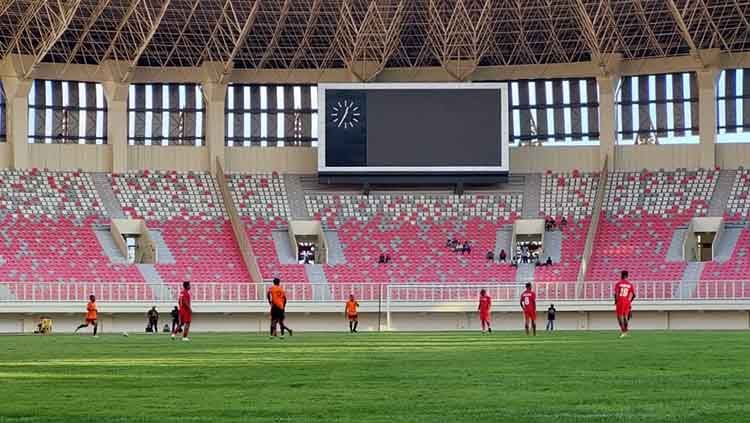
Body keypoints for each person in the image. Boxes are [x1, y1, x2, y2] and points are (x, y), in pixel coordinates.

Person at [614, 270, 636, 338]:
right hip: (627, 301)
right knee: (625, 317)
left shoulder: (618, 283)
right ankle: (626, 332)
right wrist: (630, 301)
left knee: (619, 317)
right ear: (627, 276)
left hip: (620, 301)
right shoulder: (630, 284)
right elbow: (634, 295)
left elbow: (616, 294)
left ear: (622, 275)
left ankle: (623, 332)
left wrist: (616, 301)